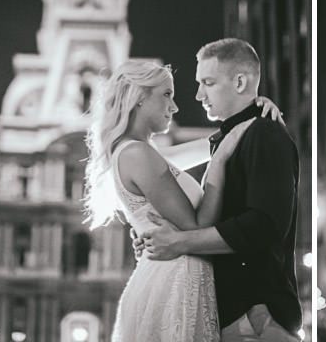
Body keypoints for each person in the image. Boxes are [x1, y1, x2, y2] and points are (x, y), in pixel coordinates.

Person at [83, 59, 283, 341]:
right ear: (138, 98)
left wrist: (252, 110)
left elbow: (214, 144)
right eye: (167, 95)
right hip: (173, 283)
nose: (174, 107)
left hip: (175, 277)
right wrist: (220, 165)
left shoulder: (142, 152)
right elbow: (197, 225)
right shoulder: (137, 155)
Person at [137, 38, 302, 341]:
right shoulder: (231, 137)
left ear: (240, 82)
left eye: (208, 83)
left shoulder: (264, 134)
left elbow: (262, 226)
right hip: (231, 312)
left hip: (255, 314)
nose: (198, 95)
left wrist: (180, 242)